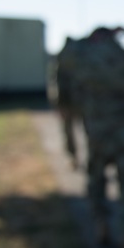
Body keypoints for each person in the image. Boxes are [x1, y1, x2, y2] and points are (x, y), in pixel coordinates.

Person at [72, 26, 124, 248]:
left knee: (96, 180)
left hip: (98, 132)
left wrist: (91, 37)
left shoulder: (86, 59)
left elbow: (68, 54)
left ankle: (101, 223)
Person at [50, 36, 80, 169]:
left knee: (69, 131)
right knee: (72, 131)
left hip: (71, 102)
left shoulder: (62, 58)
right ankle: (73, 156)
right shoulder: (81, 57)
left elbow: (56, 82)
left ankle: (73, 157)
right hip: (73, 102)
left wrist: (58, 103)